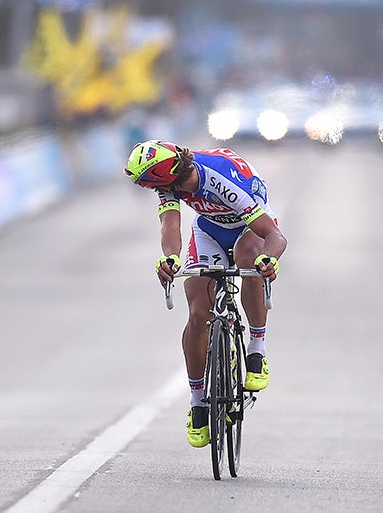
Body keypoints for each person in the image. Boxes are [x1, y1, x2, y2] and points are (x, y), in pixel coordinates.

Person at [123, 140, 287, 449]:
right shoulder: (171, 179)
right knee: (199, 310)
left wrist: (270, 259)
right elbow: (170, 227)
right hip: (209, 228)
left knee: (248, 259)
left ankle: (256, 348)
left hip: (250, 225)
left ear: (167, 176)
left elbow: (275, 236)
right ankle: (198, 402)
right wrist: (170, 258)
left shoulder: (218, 177)